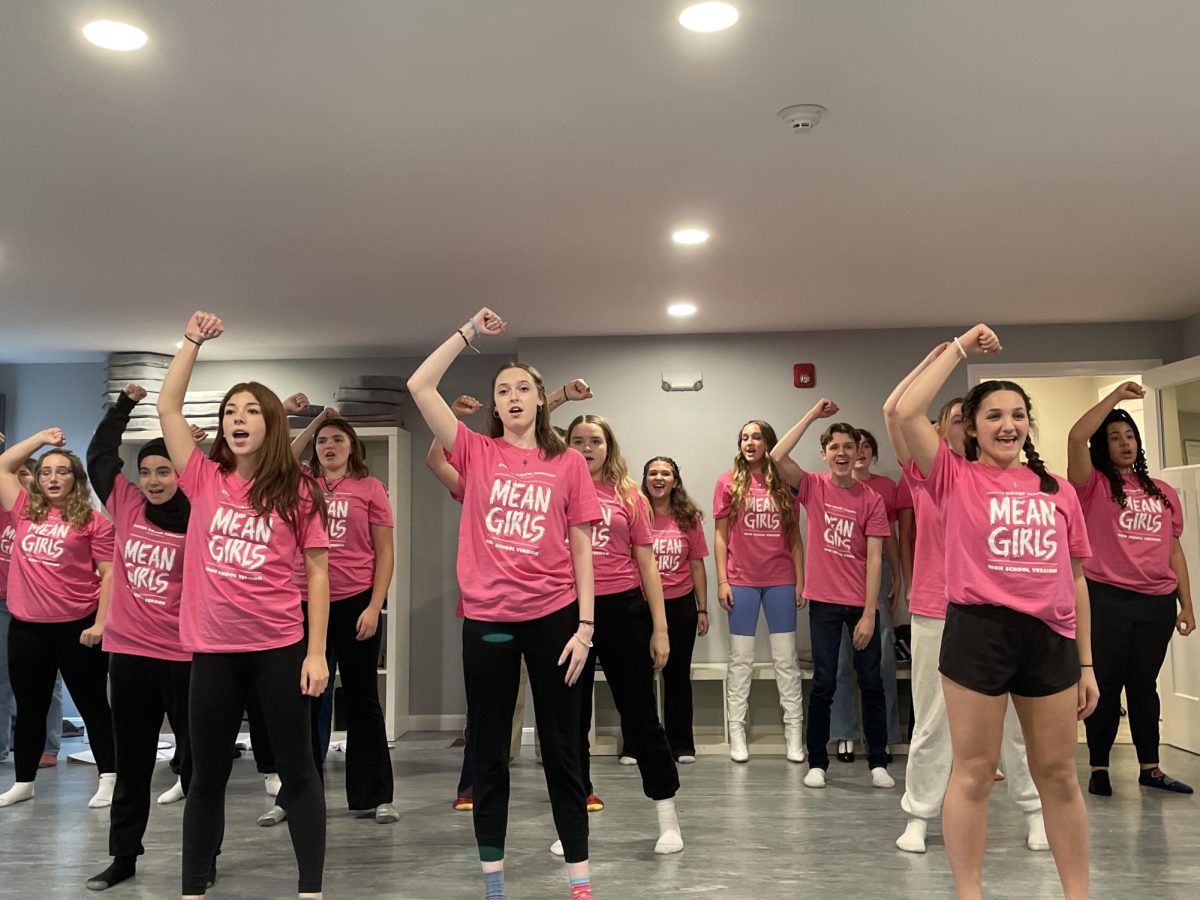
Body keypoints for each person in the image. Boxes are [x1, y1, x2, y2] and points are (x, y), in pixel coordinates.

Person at [894, 324, 1097, 900]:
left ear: (1028, 423)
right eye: (993, 415)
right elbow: (908, 411)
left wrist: (1087, 665)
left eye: (1017, 414)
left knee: (1057, 775)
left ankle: (1077, 894)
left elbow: (1077, 579)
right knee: (975, 773)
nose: (1008, 425)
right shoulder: (953, 477)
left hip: (1050, 639)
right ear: (972, 428)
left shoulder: (1057, 489)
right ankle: (969, 893)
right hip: (978, 633)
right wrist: (958, 349)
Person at [407, 308, 599, 900]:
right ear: (495, 405)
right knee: (489, 752)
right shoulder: (474, 452)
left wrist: (587, 626)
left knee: (563, 754)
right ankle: (494, 882)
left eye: (523, 389)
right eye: (503, 390)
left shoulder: (567, 463)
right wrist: (468, 333)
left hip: (555, 622)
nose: (513, 396)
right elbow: (419, 385)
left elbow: (583, 543)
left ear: (541, 402)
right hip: (488, 621)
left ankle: (579, 879)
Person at [158, 311, 330, 900]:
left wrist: (317, 653)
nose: (238, 420)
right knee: (205, 777)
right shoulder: (204, 479)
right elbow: (168, 409)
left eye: (251, 411)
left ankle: (311, 888)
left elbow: (317, 573)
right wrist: (191, 343)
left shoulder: (300, 488)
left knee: (299, 774)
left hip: (279, 651)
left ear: (272, 423)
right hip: (213, 653)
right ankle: (193, 887)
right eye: (230, 412)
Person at [884, 353, 1047, 855]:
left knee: (1018, 725)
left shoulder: (1015, 483)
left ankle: (1034, 810)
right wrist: (944, 352)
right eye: (956, 418)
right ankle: (918, 814)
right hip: (938, 608)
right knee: (932, 723)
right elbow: (896, 410)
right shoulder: (928, 473)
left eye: (965, 418)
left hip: (1005, 614)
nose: (966, 425)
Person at [84, 385, 204, 890]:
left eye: (164, 470)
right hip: (130, 655)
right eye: (147, 471)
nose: (154, 480)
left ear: (180, 473)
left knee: (198, 766)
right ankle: (123, 857)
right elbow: (98, 456)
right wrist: (124, 407)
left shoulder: (203, 514)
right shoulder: (127, 504)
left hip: (185, 657)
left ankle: (203, 856)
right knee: (132, 763)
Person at [256, 407, 398, 826]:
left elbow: (385, 552)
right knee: (302, 701)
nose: (329, 446)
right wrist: (314, 423)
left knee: (363, 699)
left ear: (352, 446)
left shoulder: (371, 488)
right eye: (323, 440)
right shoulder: (301, 482)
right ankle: (294, 796)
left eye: (338, 439)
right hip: (301, 602)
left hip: (356, 603)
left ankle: (376, 796)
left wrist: (375, 606)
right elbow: (280, 453)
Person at [561, 414, 681, 856]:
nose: (587, 448)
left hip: (623, 609)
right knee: (569, 724)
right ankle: (571, 824)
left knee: (641, 717)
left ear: (609, 447)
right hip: (569, 612)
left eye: (596, 441)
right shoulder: (557, 487)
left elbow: (648, 564)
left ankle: (667, 818)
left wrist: (661, 629)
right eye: (578, 440)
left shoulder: (629, 494)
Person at [1067, 381, 1195, 796]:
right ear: (1103, 446)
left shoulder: (1163, 492)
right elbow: (1075, 437)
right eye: (1115, 437)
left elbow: (1174, 552)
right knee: (1104, 682)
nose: (1125, 443)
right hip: (1107, 599)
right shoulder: (1093, 486)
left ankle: (1150, 768)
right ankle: (1099, 767)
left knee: (1144, 685)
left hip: (1156, 603)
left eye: (1130, 437)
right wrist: (1116, 401)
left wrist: (1187, 605)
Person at [770, 402, 893, 788]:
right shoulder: (812, 486)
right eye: (834, 447)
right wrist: (810, 416)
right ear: (825, 454)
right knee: (823, 682)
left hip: (861, 604)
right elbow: (777, 455)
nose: (842, 453)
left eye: (849, 447)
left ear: (859, 453)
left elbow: (875, 559)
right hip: (823, 601)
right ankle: (818, 763)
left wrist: (870, 613)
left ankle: (877, 761)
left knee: (870, 682)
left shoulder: (871, 499)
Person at [0, 432, 117, 810]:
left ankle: (109, 778)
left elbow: (110, 575)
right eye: (45, 472)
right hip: (27, 628)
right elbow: (3, 465)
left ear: (75, 480)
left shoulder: (94, 522)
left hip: (75, 626)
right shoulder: (23, 510)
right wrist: (41, 439)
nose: (52, 478)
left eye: (62, 472)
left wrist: (99, 625)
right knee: (30, 708)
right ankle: (24, 782)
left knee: (93, 705)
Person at [713, 420, 806, 764]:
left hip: (780, 579)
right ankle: (737, 733)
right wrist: (722, 580)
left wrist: (801, 579)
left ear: (769, 442)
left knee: (786, 660)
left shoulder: (784, 480)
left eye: (756, 437)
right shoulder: (727, 482)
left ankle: (794, 734)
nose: (749, 442)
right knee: (740, 661)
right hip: (741, 581)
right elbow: (720, 536)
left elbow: (795, 538)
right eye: (744, 437)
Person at [828, 427, 903, 762]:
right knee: (841, 659)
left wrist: (898, 575)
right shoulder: (831, 485)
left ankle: (882, 735)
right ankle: (844, 733)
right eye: (852, 447)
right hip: (839, 573)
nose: (858, 453)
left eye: (865, 447)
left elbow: (889, 539)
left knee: (882, 656)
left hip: (878, 571)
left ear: (871, 454)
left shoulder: (884, 488)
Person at [643, 456, 709, 763]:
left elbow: (697, 566)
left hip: (680, 604)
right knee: (638, 677)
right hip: (640, 605)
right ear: (645, 480)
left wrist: (702, 609)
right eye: (653, 473)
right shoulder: (635, 513)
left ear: (675, 481)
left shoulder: (688, 518)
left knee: (677, 676)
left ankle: (682, 744)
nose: (658, 478)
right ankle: (635, 744)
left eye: (665, 473)